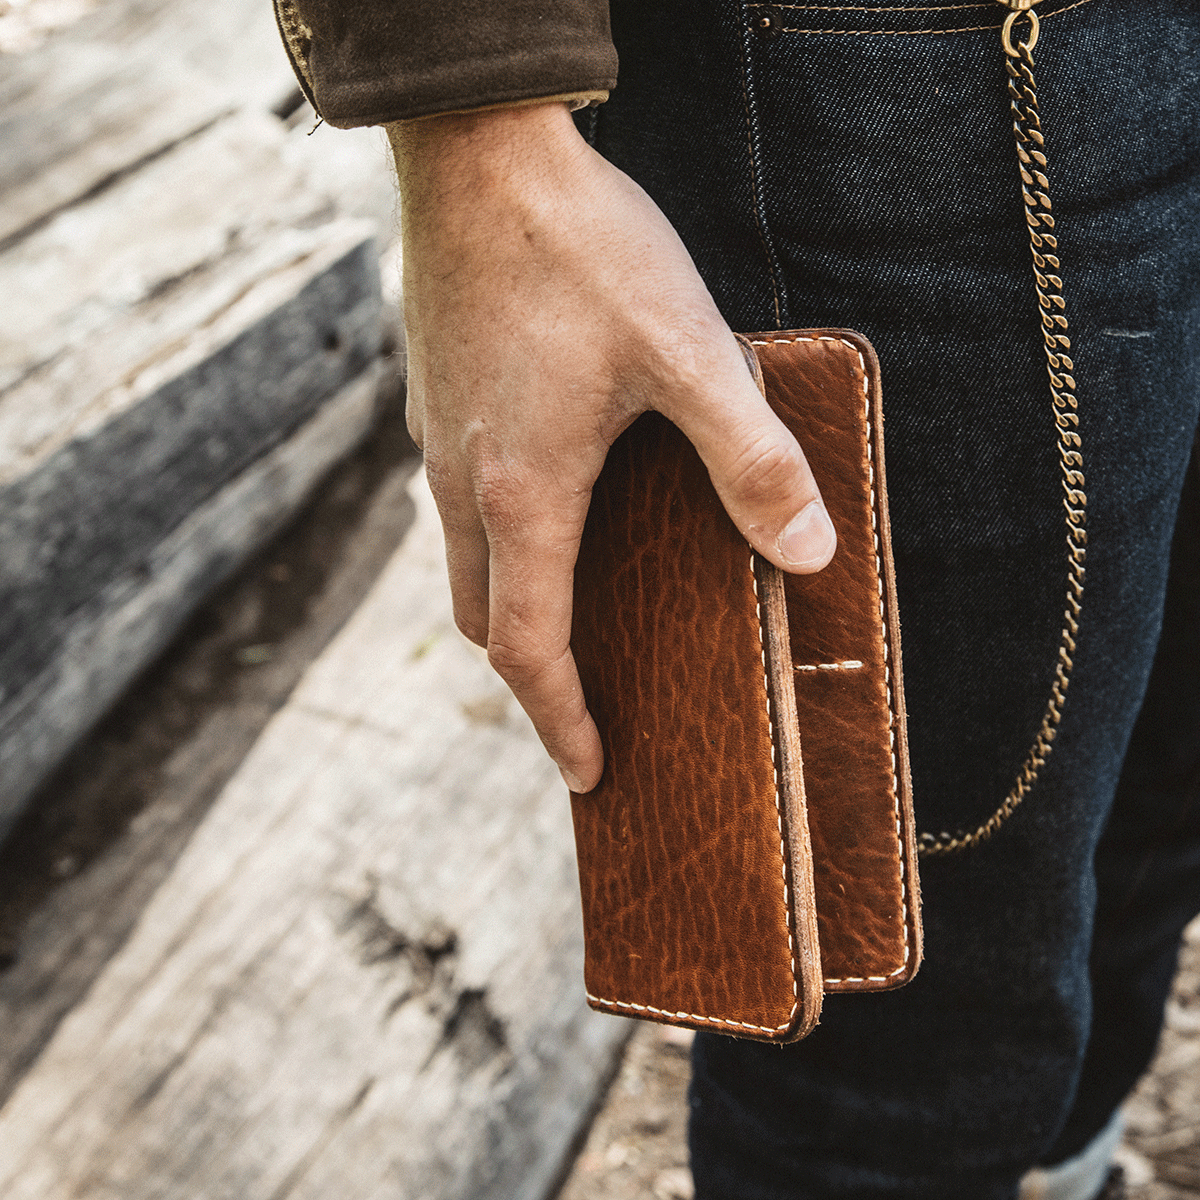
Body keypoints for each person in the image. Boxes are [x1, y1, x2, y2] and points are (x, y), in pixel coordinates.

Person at [273, 2, 1200, 1197]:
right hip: (908, 77)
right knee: (896, 1037)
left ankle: (1067, 1174)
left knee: (1156, 793)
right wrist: (478, 126)